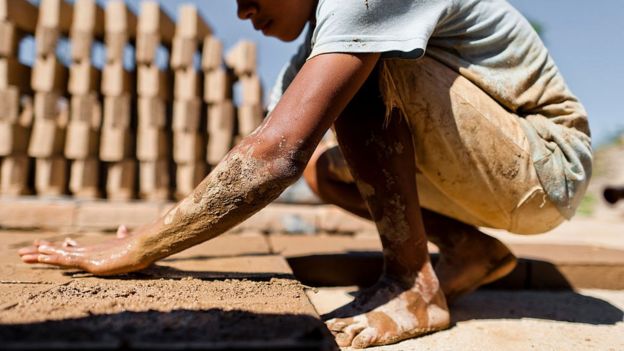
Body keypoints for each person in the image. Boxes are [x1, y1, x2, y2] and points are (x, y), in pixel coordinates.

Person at [19, 0, 592, 348]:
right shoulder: (320, 38)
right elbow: (274, 157)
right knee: (325, 168)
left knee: (368, 69)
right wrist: (158, 228)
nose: (243, 10)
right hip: (493, 177)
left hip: (547, 163)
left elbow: (274, 155)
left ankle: (414, 288)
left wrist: (150, 242)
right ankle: (471, 252)